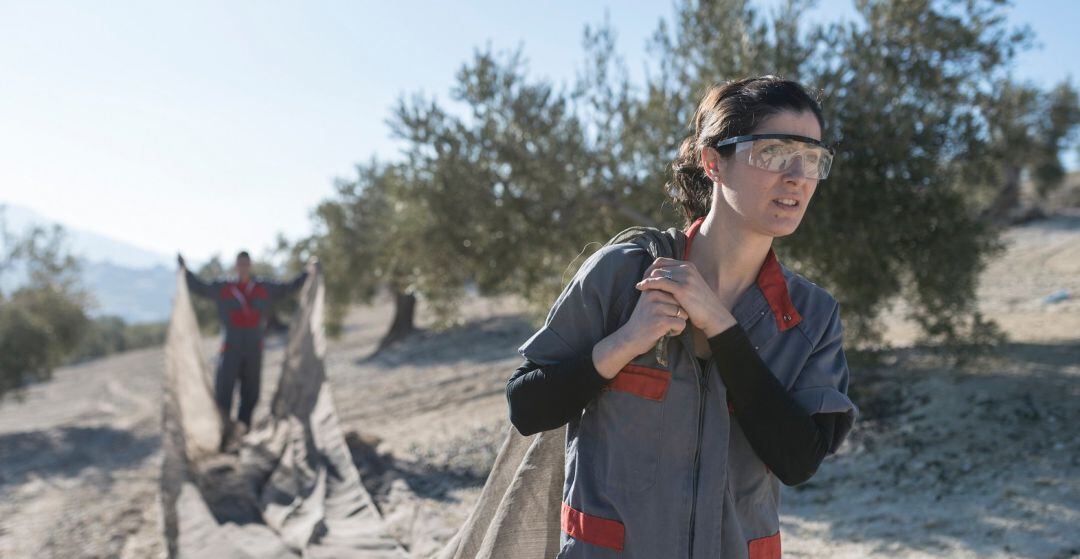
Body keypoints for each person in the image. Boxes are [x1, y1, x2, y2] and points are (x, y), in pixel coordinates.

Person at [506, 76, 858, 558]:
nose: (797, 175)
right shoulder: (621, 274)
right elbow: (527, 408)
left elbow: (798, 461)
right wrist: (625, 342)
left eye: (813, 157)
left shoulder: (809, 315)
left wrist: (722, 328)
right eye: (774, 153)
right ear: (714, 162)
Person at [177, 250, 308, 438]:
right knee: (224, 393)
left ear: (250, 265)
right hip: (231, 348)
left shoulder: (263, 288)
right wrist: (184, 270)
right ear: (235, 266)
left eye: (246, 264)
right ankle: (224, 433)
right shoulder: (224, 288)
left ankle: (243, 432)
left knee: (251, 393)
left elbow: (288, 288)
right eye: (240, 264)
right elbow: (200, 287)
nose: (243, 268)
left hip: (254, 348)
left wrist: (307, 273)